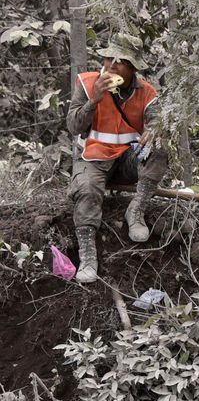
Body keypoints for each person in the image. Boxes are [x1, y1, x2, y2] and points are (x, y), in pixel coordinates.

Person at [66, 33, 168, 283]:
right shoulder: (88, 83)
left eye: (120, 61)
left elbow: (157, 122)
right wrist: (94, 100)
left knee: (160, 149)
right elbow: (73, 126)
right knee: (87, 188)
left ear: (132, 68)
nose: (112, 65)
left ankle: (136, 210)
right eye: (109, 57)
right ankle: (88, 256)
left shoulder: (146, 92)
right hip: (93, 158)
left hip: (127, 159)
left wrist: (154, 130)